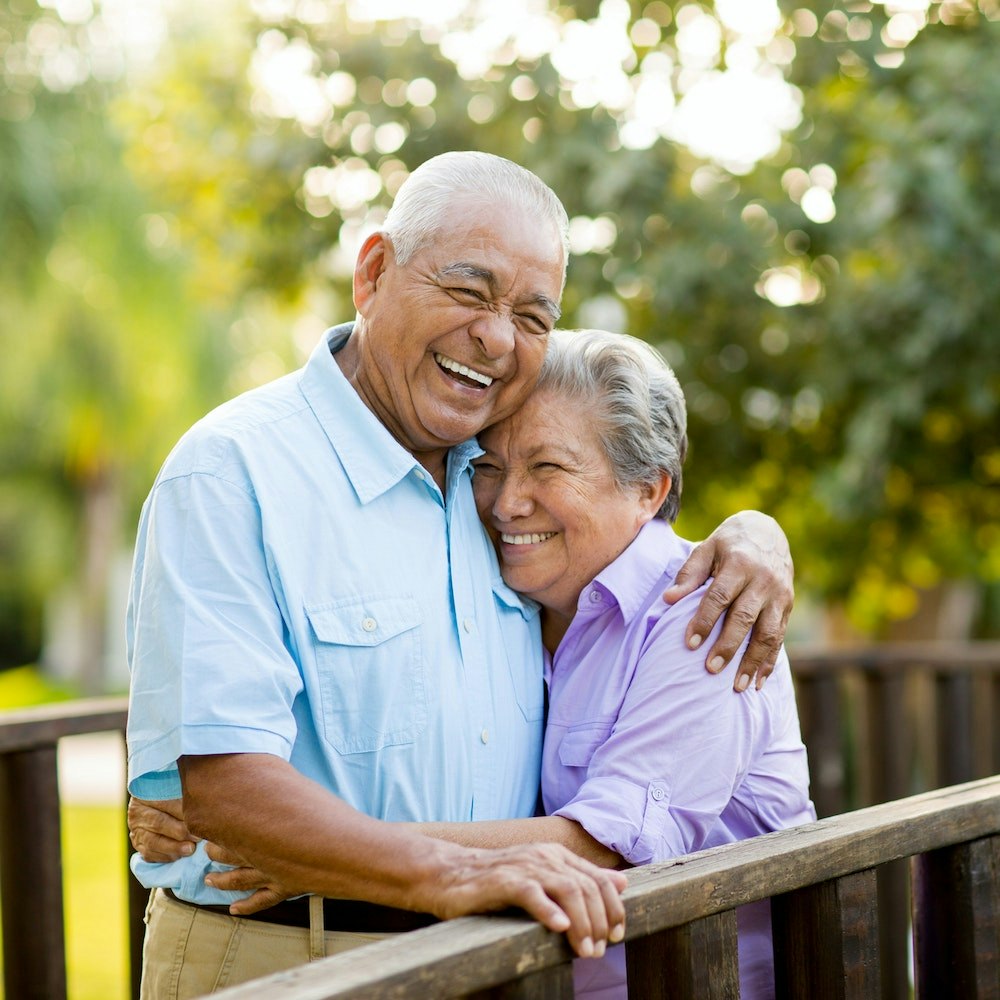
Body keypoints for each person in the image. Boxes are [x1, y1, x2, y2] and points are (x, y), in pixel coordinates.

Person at [125, 151, 795, 997]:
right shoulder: (232, 472)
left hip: (495, 960)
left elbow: (619, 521)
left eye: (531, 315)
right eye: (470, 291)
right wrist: (434, 870)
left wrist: (754, 536)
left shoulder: (489, 486)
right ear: (372, 273)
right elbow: (225, 792)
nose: (496, 336)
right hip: (289, 960)